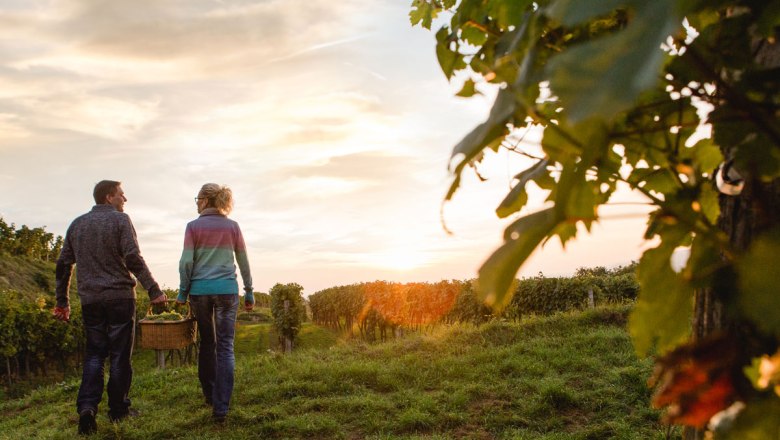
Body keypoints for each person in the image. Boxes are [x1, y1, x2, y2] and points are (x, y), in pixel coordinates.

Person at [53, 180, 168, 436]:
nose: (124, 199)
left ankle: (87, 409)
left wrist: (62, 302)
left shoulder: (77, 224)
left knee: (94, 355)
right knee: (119, 356)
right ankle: (118, 409)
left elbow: (63, 265)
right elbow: (132, 257)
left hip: (90, 300)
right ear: (108, 197)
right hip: (119, 298)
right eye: (121, 194)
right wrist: (153, 289)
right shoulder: (120, 221)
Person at [177, 183, 254, 424]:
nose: (196, 202)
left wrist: (182, 292)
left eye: (197, 198)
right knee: (226, 346)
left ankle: (209, 394)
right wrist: (249, 290)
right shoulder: (232, 227)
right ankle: (221, 407)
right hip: (227, 291)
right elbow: (243, 260)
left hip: (199, 292)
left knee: (207, 343)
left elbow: (186, 263)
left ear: (206, 200)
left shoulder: (192, 227)